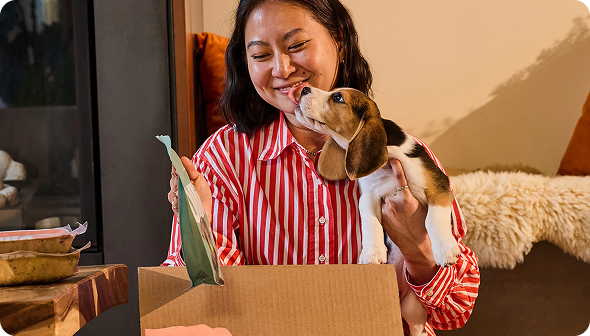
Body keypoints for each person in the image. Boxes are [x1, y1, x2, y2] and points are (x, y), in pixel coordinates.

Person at [164, 0, 479, 334]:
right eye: (260, 55)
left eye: (296, 45)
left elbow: (455, 311)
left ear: (338, 40)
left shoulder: (400, 157)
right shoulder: (221, 159)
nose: (282, 69)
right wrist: (198, 236)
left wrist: (421, 255)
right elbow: (202, 307)